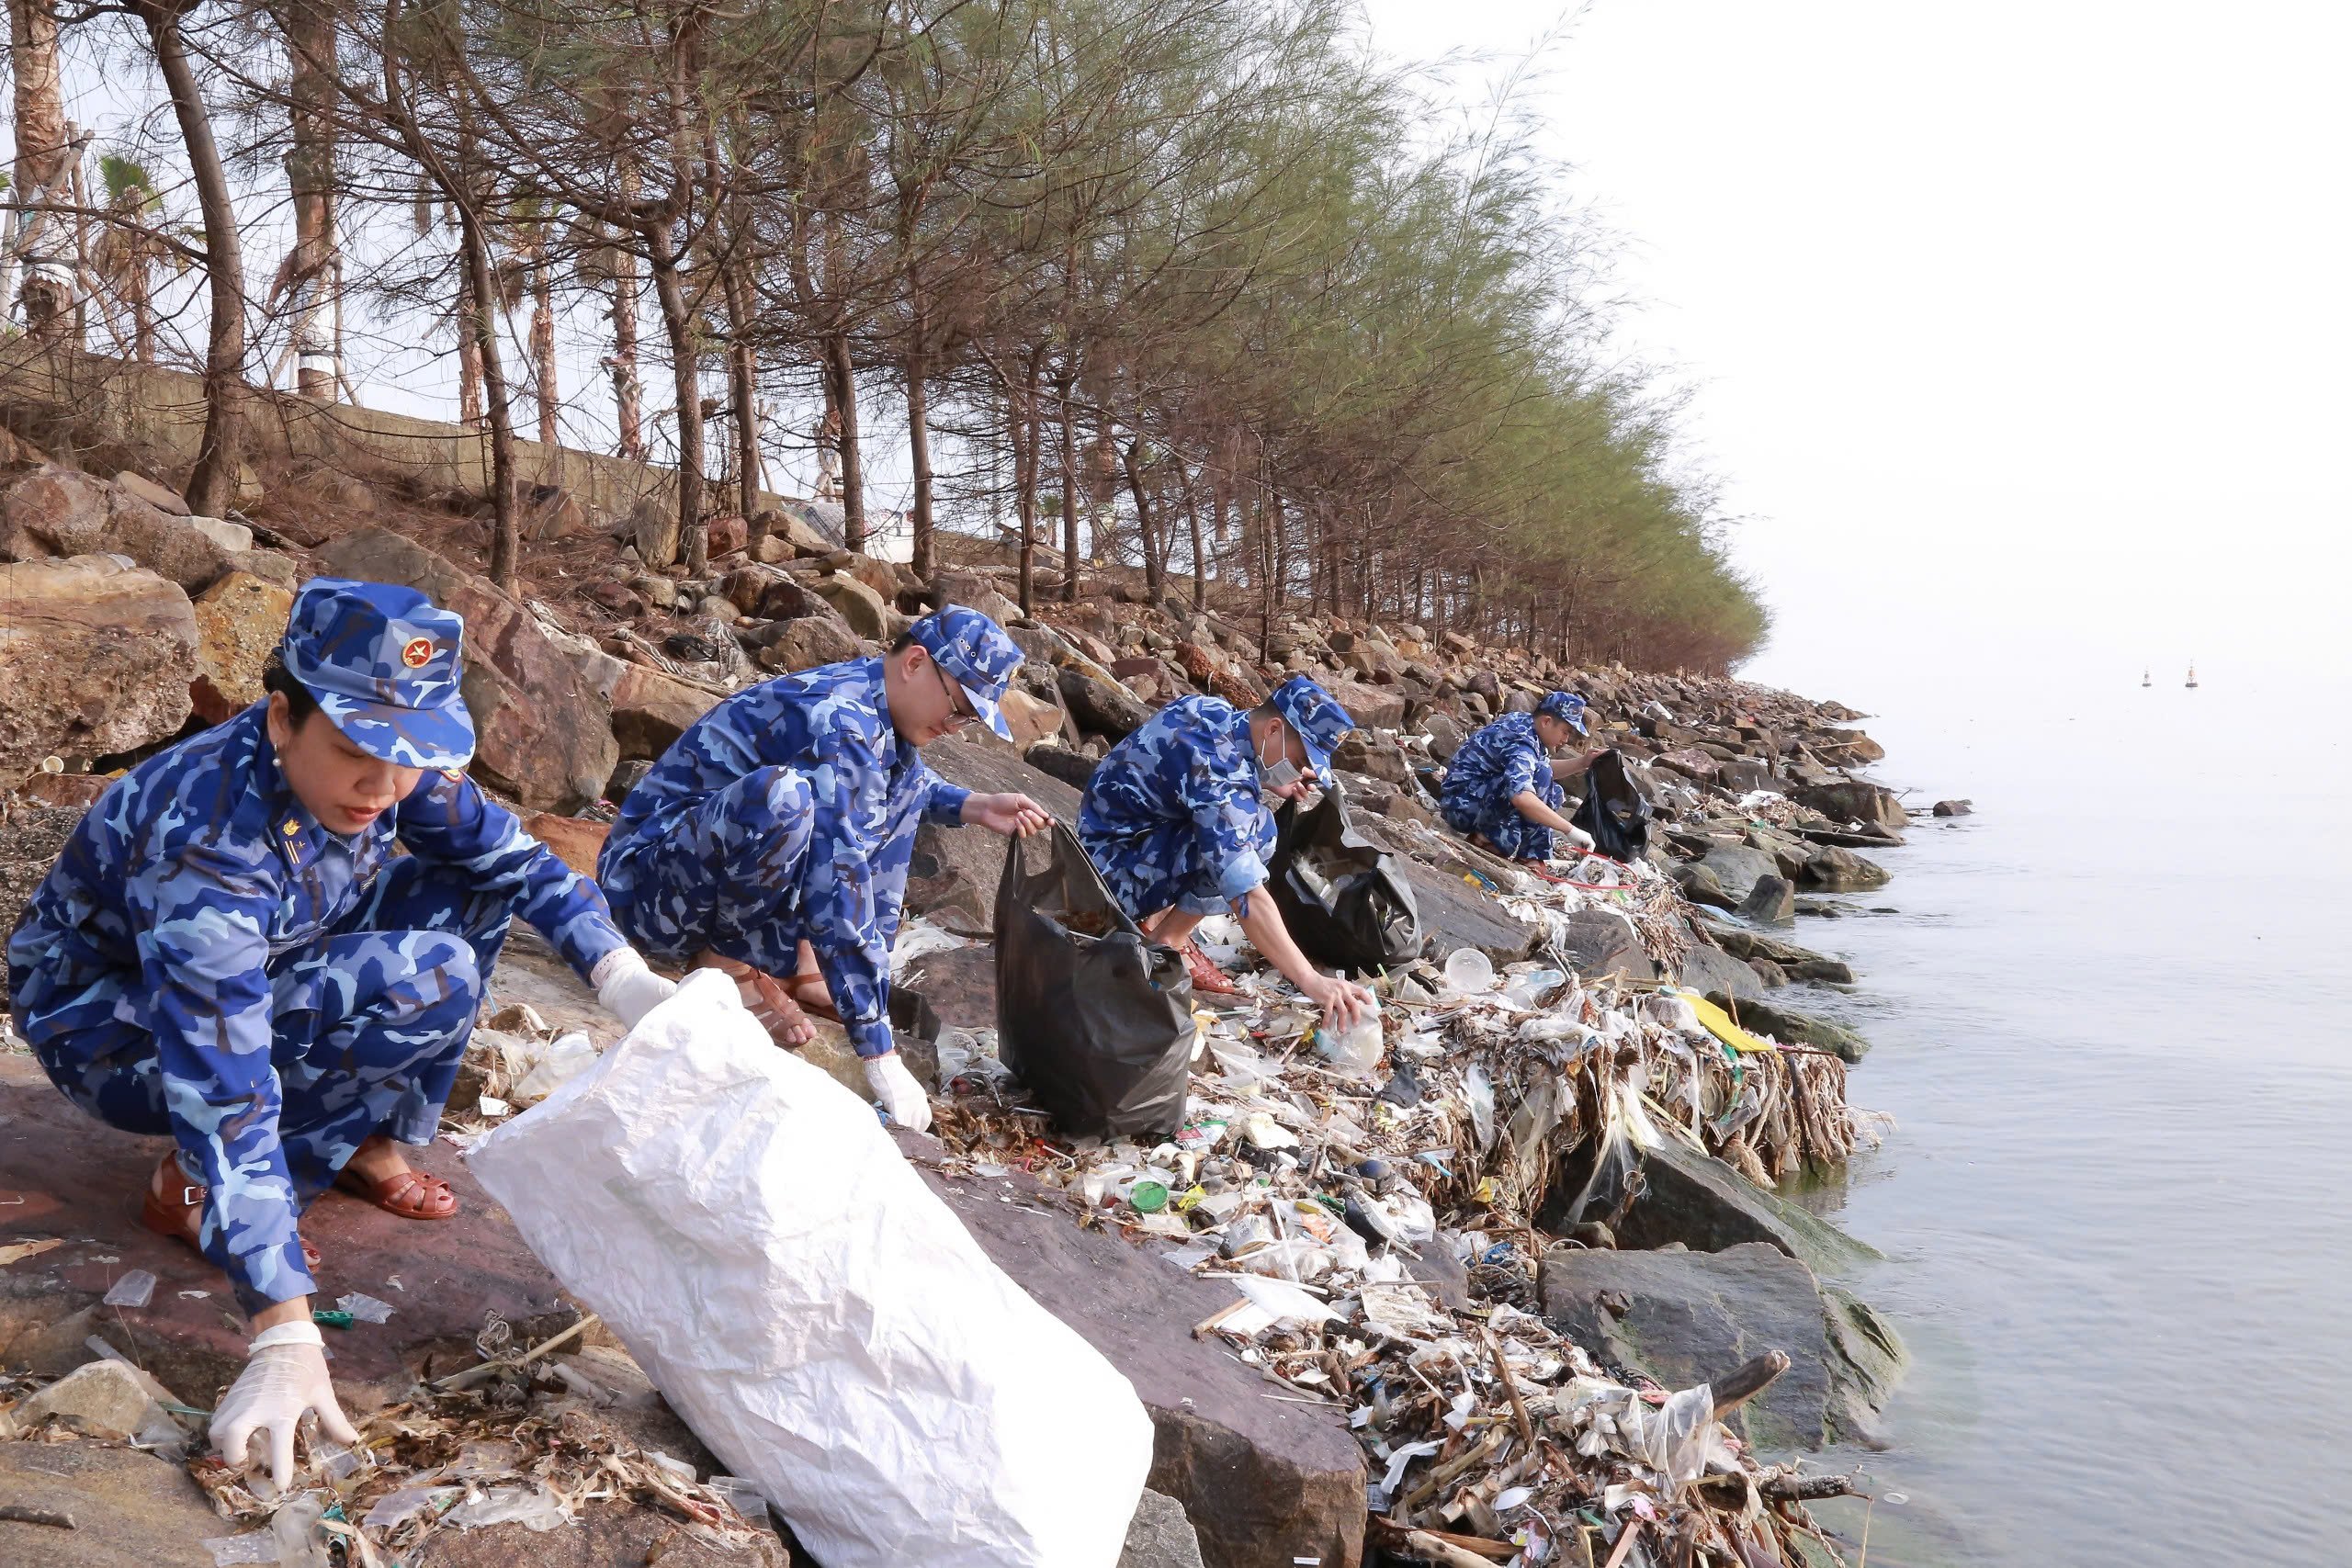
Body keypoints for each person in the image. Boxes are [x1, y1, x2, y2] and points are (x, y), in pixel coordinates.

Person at [5, 579, 676, 1490]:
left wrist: (622, 979)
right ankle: (189, 1188)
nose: (386, 784)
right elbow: (223, 1076)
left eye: (410, 755)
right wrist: (282, 1326)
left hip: (274, 958)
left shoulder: (388, 775)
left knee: (469, 886)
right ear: (282, 719)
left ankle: (362, 1137)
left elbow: (515, 860)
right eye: (360, 750)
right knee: (425, 974)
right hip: (111, 1027)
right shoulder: (206, 839)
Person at [596, 605, 1052, 1134]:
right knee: (785, 802)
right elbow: (842, 875)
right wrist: (876, 1049)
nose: (955, 727)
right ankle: (729, 964)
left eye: (970, 719)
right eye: (959, 707)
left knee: (885, 795)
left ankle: (802, 966)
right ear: (915, 663)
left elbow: (894, 786)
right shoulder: (838, 717)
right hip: (647, 892)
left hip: (693, 882)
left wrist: (969, 804)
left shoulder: (876, 702)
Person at [1077, 674, 1374, 1026]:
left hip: (1102, 836)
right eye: (1300, 760)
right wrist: (1312, 980)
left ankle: (1155, 925)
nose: (1301, 770)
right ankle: (1167, 941)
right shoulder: (1220, 780)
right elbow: (1246, 894)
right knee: (1258, 832)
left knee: (1245, 822)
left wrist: (1270, 778)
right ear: (1275, 730)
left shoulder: (1211, 711)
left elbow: (1201, 772)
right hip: (1104, 880)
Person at [1439, 691, 1606, 864]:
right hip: (1460, 806)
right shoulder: (1522, 742)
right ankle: (1503, 845)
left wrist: (1583, 762)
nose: (1566, 739)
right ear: (1547, 722)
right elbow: (1521, 796)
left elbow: (1536, 770)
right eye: (1565, 731)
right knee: (1532, 786)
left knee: (1553, 791)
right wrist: (1569, 830)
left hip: (1468, 797)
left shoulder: (1526, 724)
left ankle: (1506, 844)